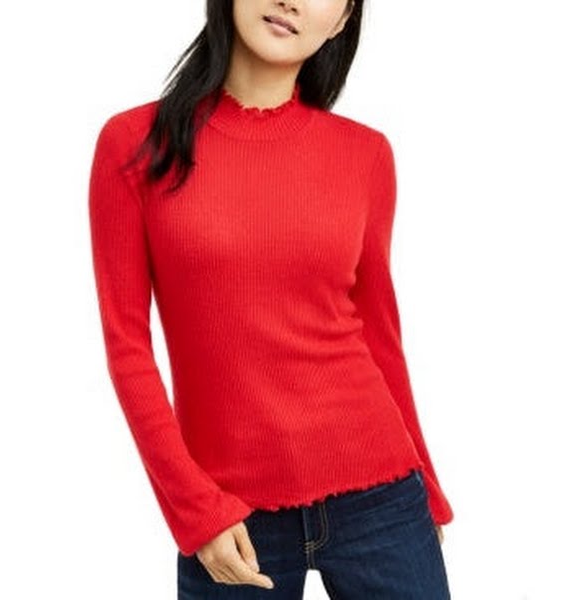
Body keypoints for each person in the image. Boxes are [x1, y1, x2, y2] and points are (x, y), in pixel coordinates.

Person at [88, 0, 454, 597]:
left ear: (343, 19)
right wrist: (195, 510)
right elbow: (126, 347)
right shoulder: (135, 143)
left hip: (381, 498)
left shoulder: (366, 154)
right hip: (230, 514)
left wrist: (428, 489)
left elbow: (380, 336)